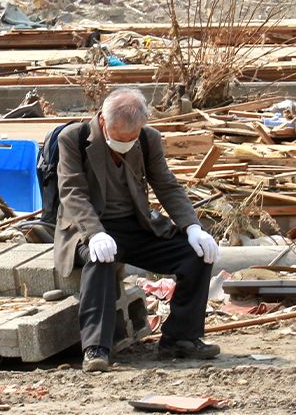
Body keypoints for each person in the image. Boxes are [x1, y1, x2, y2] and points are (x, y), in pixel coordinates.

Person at [54, 88, 220, 372]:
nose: (126, 143)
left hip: (137, 225)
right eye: (120, 138)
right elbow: (72, 192)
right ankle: (96, 348)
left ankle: (181, 337)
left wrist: (192, 226)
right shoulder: (73, 139)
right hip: (88, 228)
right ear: (104, 123)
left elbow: (166, 184)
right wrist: (95, 232)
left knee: (196, 255)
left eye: (131, 138)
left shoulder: (148, 139)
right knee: (101, 260)